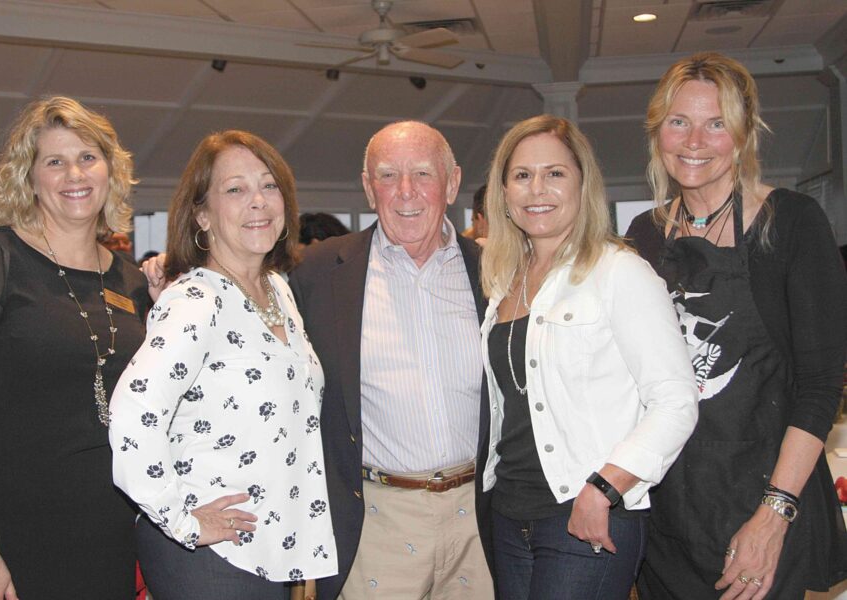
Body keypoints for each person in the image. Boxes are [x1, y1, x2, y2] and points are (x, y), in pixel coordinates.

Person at [626, 51, 847, 599]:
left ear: (744, 134)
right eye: (679, 121)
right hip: (667, 515)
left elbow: (819, 387)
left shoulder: (792, 222)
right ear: (658, 132)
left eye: (716, 123)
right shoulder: (644, 235)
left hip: (764, 501)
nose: (694, 141)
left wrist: (773, 519)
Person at [477, 114, 698, 599]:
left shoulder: (620, 271)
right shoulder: (502, 282)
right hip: (509, 514)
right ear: (504, 193)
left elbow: (676, 401)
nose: (538, 189)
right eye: (522, 175)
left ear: (582, 185)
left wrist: (604, 488)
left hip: (585, 514)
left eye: (555, 173)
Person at [109, 130, 337, 600]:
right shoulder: (196, 299)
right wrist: (183, 519)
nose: (258, 201)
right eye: (235, 189)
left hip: (270, 550)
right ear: (203, 215)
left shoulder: (278, 290)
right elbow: (132, 417)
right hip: (211, 559)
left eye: (269, 185)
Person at [0, 96, 149, 598]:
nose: (74, 174)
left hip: (108, 532)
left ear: (109, 170)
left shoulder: (132, 282)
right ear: (29, 178)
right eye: (54, 161)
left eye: (87, 157)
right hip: (7, 533)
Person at [287, 121, 493, 599]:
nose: (405, 192)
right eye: (387, 175)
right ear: (366, 186)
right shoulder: (319, 274)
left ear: (453, 182)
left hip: (478, 520)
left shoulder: (495, 269)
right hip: (375, 522)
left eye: (422, 173)